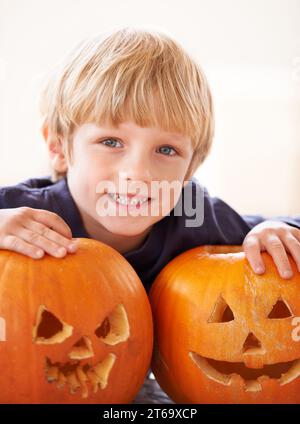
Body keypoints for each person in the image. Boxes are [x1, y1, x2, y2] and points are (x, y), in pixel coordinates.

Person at [0, 27, 300, 294]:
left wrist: (275, 228)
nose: (138, 173)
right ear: (59, 148)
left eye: (166, 150)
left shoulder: (194, 217)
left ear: (190, 169)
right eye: (111, 142)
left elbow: (285, 228)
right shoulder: (24, 215)